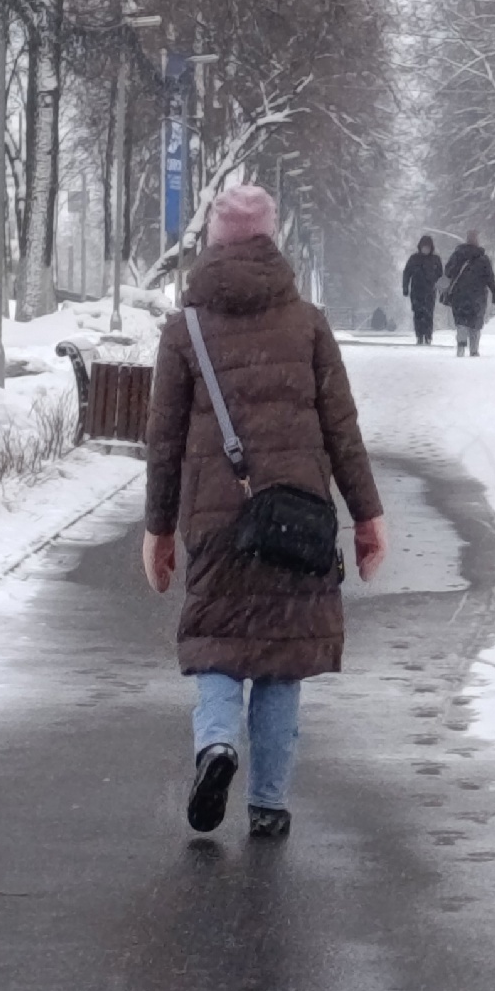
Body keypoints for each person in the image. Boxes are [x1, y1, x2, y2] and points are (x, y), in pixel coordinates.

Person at [143, 183, 387, 839]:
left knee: (219, 651)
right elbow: (343, 428)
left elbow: (163, 440)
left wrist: (157, 530)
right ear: (272, 242)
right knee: (281, 660)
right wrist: (366, 516)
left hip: (219, 523)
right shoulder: (307, 322)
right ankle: (270, 802)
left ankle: (217, 744)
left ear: (215, 244)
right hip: (297, 518)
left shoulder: (185, 328)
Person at [442, 230, 495, 356]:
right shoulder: (483, 259)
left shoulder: (458, 255)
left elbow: (448, 272)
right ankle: (474, 350)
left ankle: (461, 348)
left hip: (459, 295)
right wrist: (494, 291)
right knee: (475, 323)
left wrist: (442, 290)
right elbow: (490, 278)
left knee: (461, 323)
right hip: (477, 296)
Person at [401, 235, 443, 346]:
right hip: (416, 291)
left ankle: (428, 336)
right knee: (418, 314)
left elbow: (440, 276)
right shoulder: (414, 259)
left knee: (429, 314)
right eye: (424, 247)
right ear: (420, 247)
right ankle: (419, 336)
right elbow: (407, 273)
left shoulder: (435, 260)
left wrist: (442, 291)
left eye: (428, 247)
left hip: (430, 291)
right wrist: (405, 287)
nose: (426, 249)